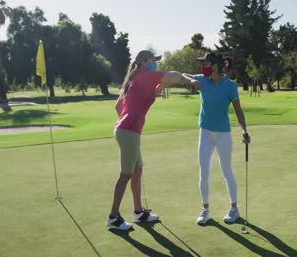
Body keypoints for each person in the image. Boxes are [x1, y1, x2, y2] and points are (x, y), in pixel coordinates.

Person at [107, 50, 193, 230]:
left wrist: (129, 123)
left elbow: (119, 106)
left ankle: (138, 212)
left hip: (126, 130)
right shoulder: (147, 75)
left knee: (137, 170)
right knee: (126, 174)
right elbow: (175, 75)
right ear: (145, 61)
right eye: (154, 60)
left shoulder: (136, 77)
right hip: (129, 131)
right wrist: (187, 78)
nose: (156, 63)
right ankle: (113, 217)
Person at [183, 52, 251, 225]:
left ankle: (234, 209)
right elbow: (183, 75)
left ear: (217, 65)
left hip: (223, 134)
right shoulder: (203, 80)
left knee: (226, 170)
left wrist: (244, 130)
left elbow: (238, 111)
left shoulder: (230, 85)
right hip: (205, 133)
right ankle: (205, 210)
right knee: (204, 172)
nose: (204, 67)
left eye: (207, 63)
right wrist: (191, 81)